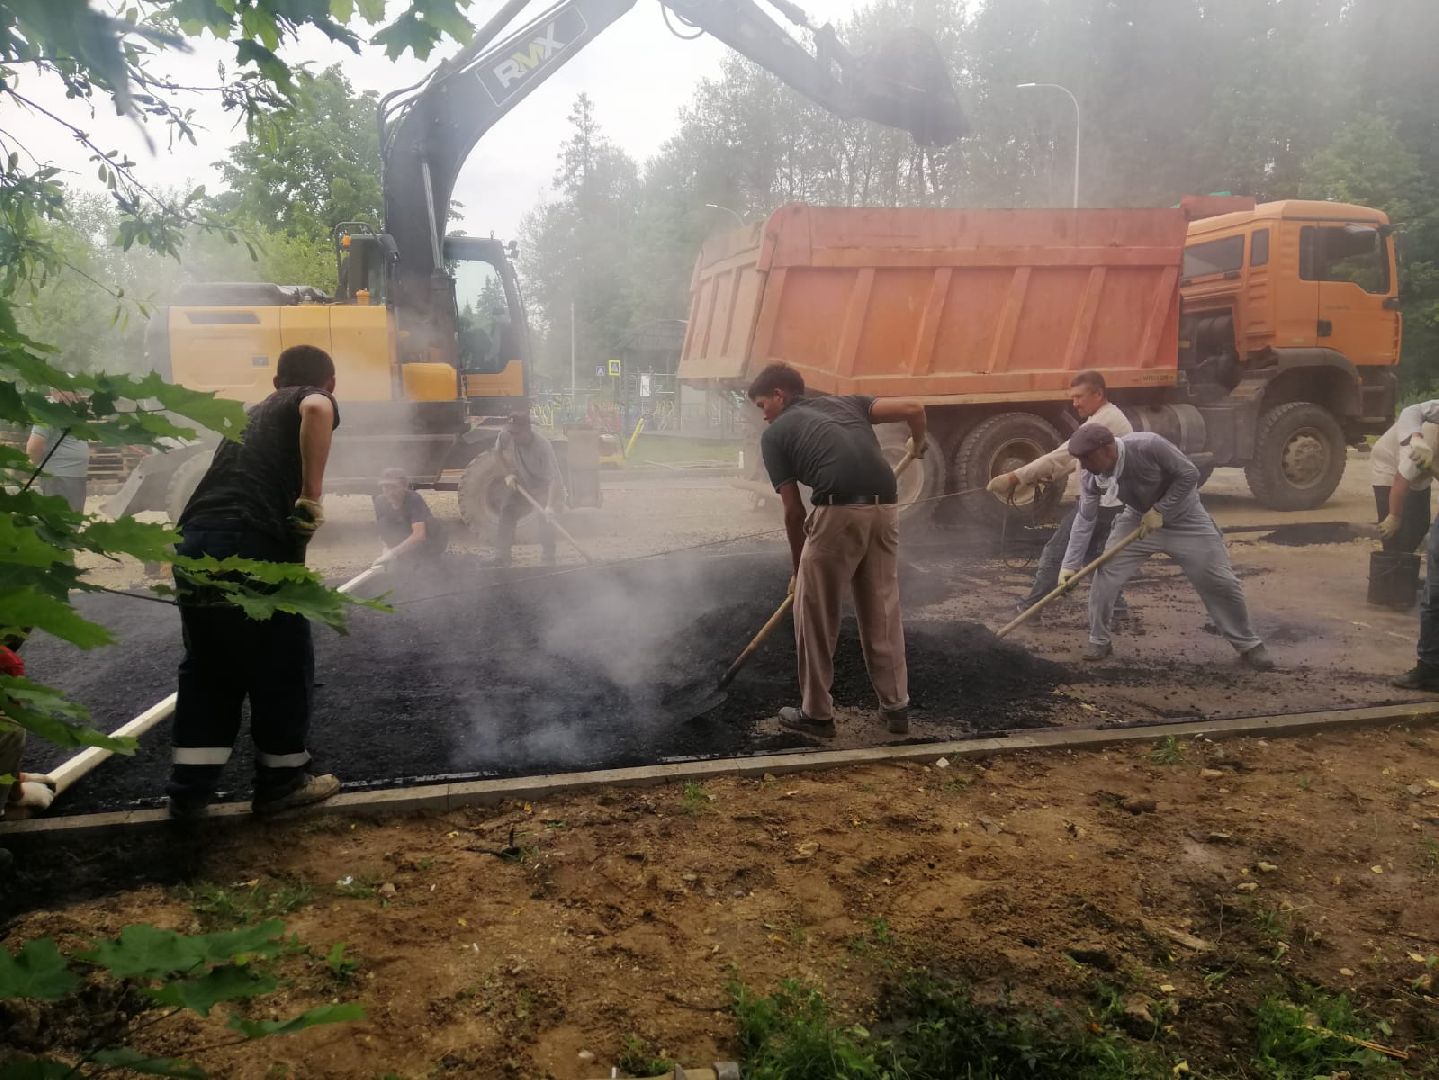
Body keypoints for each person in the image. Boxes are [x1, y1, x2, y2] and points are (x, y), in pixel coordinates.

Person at [166, 344, 341, 819]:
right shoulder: (308, 397)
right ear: (330, 381)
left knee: (208, 664)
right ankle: (281, 785)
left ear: (273, 381)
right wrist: (311, 496)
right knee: (280, 657)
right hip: (251, 542)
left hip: (195, 539)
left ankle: (189, 793)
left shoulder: (252, 412)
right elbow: (315, 408)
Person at [748, 361, 926, 739]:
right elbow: (914, 409)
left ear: (780, 394)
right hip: (886, 509)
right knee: (882, 609)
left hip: (839, 512)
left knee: (814, 613)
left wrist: (799, 571)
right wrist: (919, 441)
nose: (763, 416)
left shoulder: (776, 434)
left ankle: (816, 714)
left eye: (763, 405)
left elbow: (794, 512)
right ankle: (896, 709)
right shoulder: (849, 403)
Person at [1061, 423, 1274, 670]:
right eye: (1080, 460)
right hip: (1137, 520)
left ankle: (1249, 644)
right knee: (1106, 574)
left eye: (1087, 458)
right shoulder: (1091, 474)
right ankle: (1099, 640)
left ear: (1108, 449)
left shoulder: (1148, 445)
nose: (1084, 466)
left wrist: (1161, 509)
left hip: (1187, 520)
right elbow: (1086, 517)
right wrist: (1069, 564)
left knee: (1220, 580)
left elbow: (1189, 474)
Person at [986, 370, 1134, 612]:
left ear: (1098, 394)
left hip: (1102, 501)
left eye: (1079, 397)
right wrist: (1041, 477)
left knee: (1056, 551)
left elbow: (1064, 454)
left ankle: (1030, 606)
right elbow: (1072, 460)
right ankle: (1116, 607)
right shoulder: (1103, 417)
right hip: (1107, 501)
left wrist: (1017, 476)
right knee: (1094, 557)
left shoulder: (1103, 421)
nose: (1074, 403)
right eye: (1072, 397)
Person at [493, 409, 564, 567]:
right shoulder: (506, 436)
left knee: (545, 519)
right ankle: (502, 556)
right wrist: (508, 474)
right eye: (511, 432)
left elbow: (554, 480)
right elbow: (497, 453)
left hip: (546, 487)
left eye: (517, 433)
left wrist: (550, 506)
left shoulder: (542, 446)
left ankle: (548, 559)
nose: (513, 436)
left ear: (527, 430)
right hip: (524, 483)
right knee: (508, 511)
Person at [1372, 404, 1438, 555]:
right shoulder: (1423, 446)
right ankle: (1393, 572)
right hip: (1389, 462)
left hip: (1423, 469)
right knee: (1393, 533)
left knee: (1420, 525)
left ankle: (1405, 569)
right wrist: (1394, 516)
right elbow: (1400, 479)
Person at [372, 467, 445, 576]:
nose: (389, 492)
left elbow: (419, 535)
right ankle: (403, 557)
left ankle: (429, 558)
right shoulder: (380, 501)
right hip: (404, 537)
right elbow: (382, 530)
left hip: (427, 542)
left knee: (431, 524)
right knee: (383, 522)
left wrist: (393, 553)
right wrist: (386, 549)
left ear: (404, 487)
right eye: (385, 487)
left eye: (393, 487)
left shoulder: (414, 499)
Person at [26, 391, 91, 512]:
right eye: (72, 390)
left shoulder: (71, 413)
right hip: (59, 477)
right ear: (57, 390)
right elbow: (34, 446)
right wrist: (38, 467)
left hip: (73, 476)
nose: (78, 395)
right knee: (62, 520)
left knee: (73, 519)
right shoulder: (49, 413)